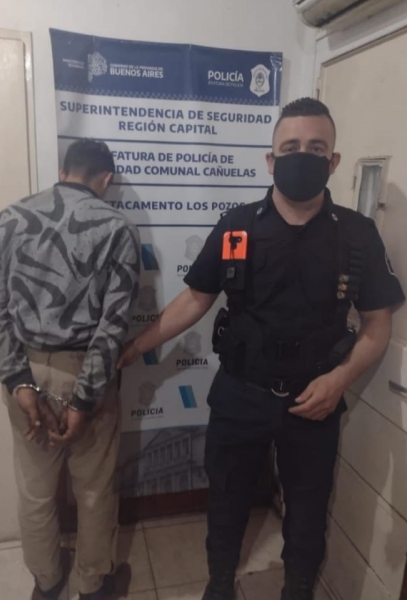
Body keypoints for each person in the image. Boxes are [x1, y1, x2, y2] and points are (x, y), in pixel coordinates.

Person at [118, 98, 405, 600]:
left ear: (334, 161)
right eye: (290, 148)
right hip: (240, 393)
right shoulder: (237, 226)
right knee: (226, 501)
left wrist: (339, 381)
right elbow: (196, 299)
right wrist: (136, 345)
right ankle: (220, 583)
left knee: (308, 511)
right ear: (271, 161)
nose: (303, 156)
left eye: (316, 148)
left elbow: (378, 326)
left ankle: (298, 588)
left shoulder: (357, 235)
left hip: (315, 401)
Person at [0, 139, 141, 600]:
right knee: (94, 491)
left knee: (35, 492)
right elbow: (113, 327)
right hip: (85, 370)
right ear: (106, 179)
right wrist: (83, 400)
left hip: (24, 366)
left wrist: (19, 383)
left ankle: (47, 583)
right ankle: (91, 586)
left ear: (64, 171)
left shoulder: (8, 219)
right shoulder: (117, 228)